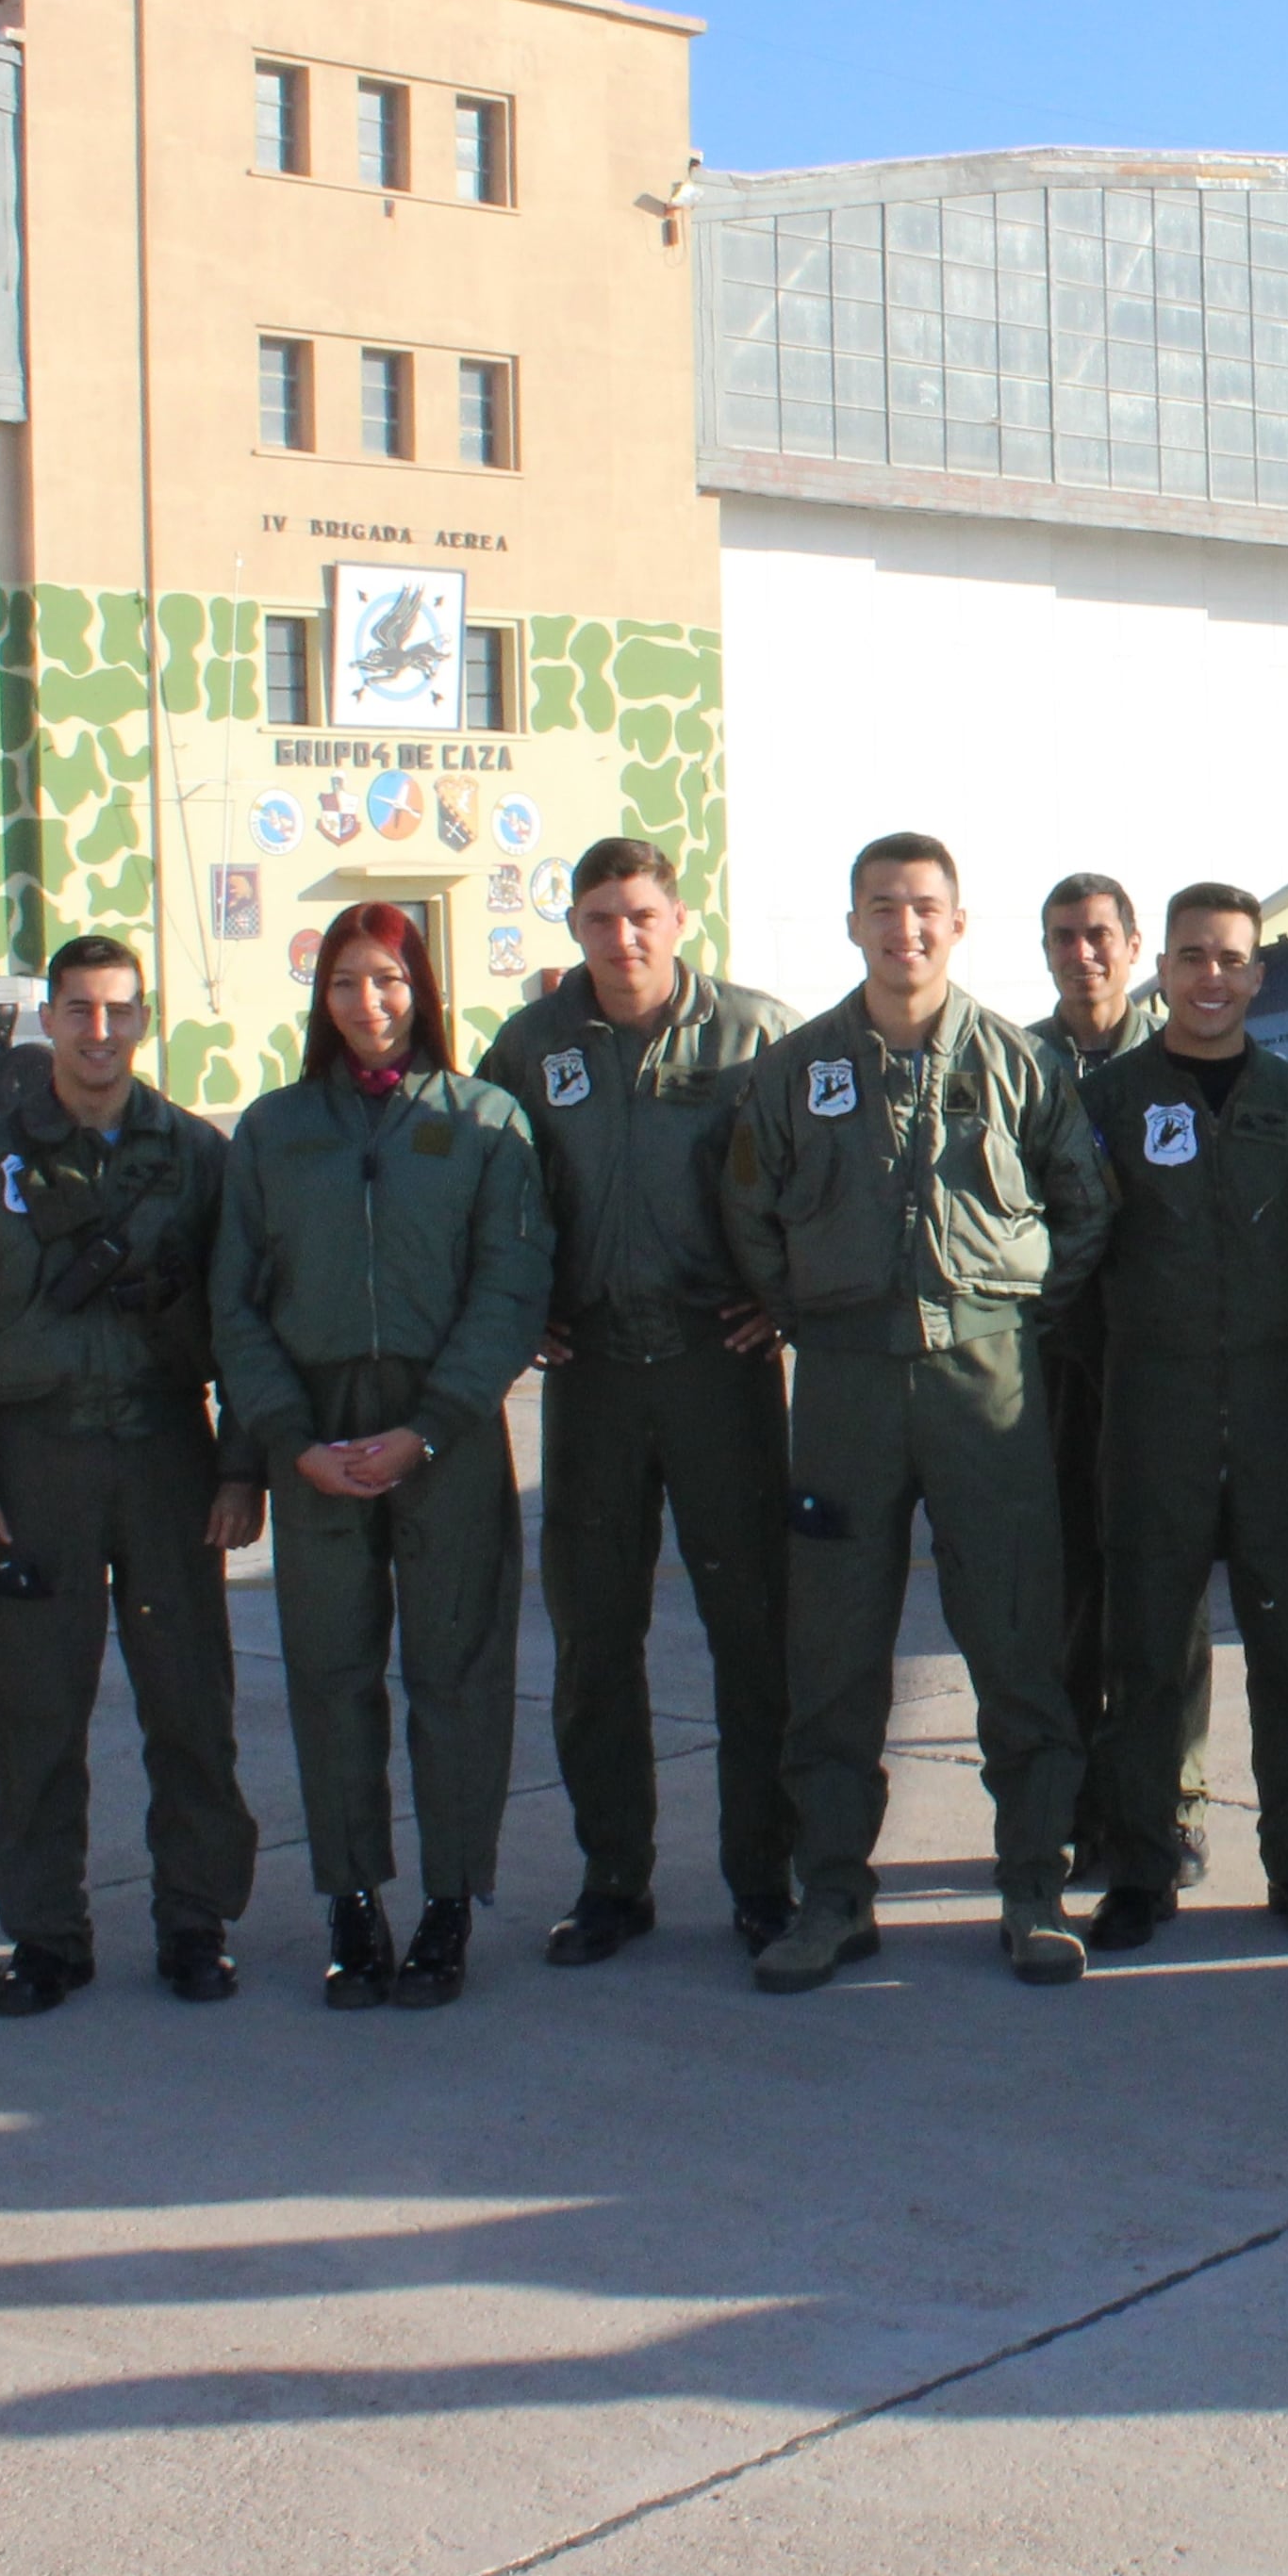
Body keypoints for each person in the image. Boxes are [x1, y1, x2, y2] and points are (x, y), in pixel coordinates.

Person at [722, 833, 1114, 1989]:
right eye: (882, 908)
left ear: (957, 922)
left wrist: (1018, 1321)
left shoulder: (1015, 1066)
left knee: (1014, 1634)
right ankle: (832, 1893)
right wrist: (805, 1314)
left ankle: (1032, 1885)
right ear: (852, 925)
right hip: (844, 1386)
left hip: (983, 1382)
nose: (905, 929)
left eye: (925, 908)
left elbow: (1083, 1207)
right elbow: (748, 1213)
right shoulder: (795, 1072)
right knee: (834, 1648)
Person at [0, 938, 264, 2013]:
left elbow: (244, 1321)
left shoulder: (197, 1156)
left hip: (167, 1454)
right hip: (37, 1460)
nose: (97, 1033)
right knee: (35, 1711)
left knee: (191, 1704)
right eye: (77, 1011)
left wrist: (241, 1466)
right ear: (46, 1022)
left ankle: (195, 1923)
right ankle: (47, 1933)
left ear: (143, 1022)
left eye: (117, 1011)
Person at [214, 902, 553, 2012]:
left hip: (440, 1432)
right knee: (330, 1676)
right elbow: (235, 1302)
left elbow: (510, 1291)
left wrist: (432, 1424)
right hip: (315, 1438)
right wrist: (286, 1440)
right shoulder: (272, 1131)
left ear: (425, 992)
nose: (372, 1004)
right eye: (349, 983)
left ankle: (450, 1904)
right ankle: (351, 1905)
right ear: (321, 998)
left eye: (393, 981)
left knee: (457, 1674)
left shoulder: (486, 1120)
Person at [474, 839, 799, 1966]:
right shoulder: (531, 1045)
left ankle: (765, 1877)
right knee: (592, 1635)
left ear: (679, 918)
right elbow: (488, 1185)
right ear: (574, 926)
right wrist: (519, 1311)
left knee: (753, 1635)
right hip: (596, 1375)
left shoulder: (756, 1035)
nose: (624, 937)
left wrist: (789, 1300)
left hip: (721, 1370)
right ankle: (613, 1879)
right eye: (602, 917)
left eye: (643, 915)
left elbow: (828, 1176)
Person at [1075, 884, 1288, 1950]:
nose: (1210, 978)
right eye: (1192, 957)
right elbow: (1082, 1245)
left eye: (1231, 960)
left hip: (1276, 1396)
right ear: (1162, 967)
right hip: (1152, 1398)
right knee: (1147, 1645)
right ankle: (1144, 1864)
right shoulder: (1112, 1101)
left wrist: (1265, 1320)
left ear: (1257, 974)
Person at [1032, 871, 1200, 1890]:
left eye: (1099, 936)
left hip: (1155, 1364)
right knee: (1061, 1594)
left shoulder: (1182, 1055)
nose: (1082, 954)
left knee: (1164, 1597)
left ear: (1132, 948)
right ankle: (1071, 1806)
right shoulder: (1014, 1061)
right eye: (1063, 938)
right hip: (1052, 1360)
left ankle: (1165, 1802)